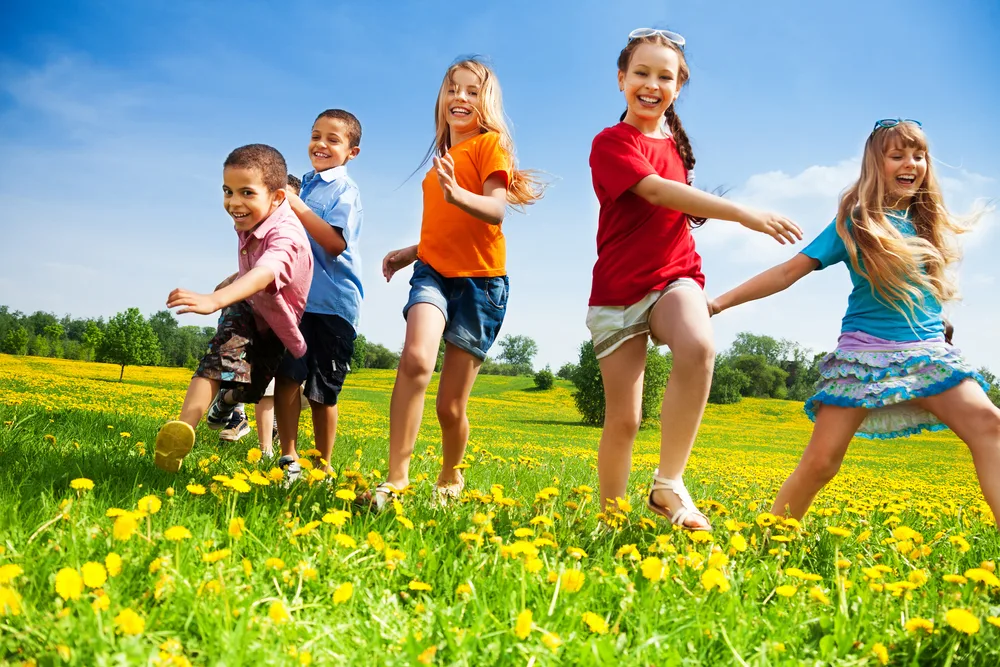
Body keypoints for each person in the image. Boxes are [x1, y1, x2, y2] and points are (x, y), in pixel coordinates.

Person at [711, 119, 998, 523]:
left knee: (990, 425)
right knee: (822, 463)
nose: (910, 163)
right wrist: (718, 303)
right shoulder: (855, 224)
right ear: (875, 165)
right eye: (897, 155)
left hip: (928, 355)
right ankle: (769, 538)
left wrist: (942, 325)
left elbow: (924, 288)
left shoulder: (928, 223)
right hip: (865, 357)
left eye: (918, 156)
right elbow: (787, 272)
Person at [587, 28, 802, 531]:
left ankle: (668, 483)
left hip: (674, 278)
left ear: (678, 86)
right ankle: (611, 520)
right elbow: (658, 193)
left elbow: (673, 200)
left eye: (665, 76)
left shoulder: (677, 147)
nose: (651, 84)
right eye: (641, 73)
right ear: (621, 79)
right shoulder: (611, 142)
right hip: (618, 293)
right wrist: (742, 213)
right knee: (624, 420)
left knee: (699, 345)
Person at [374, 57, 543, 508]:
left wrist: (457, 193)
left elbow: (494, 211)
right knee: (414, 359)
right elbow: (445, 226)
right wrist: (411, 251)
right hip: (433, 273)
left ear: (484, 102)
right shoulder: (440, 164)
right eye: (452, 89)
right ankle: (397, 479)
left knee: (449, 406)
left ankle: (450, 476)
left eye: (471, 91)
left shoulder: (490, 147)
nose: (460, 98)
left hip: (481, 284)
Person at [154, 145, 312, 472]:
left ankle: (225, 405)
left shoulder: (288, 235)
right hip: (247, 309)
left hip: (278, 325)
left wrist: (215, 300)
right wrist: (229, 294)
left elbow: (267, 270)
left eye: (246, 193)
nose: (233, 203)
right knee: (216, 360)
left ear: (279, 197)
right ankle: (183, 429)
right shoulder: (250, 219)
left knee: (249, 388)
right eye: (228, 191)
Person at [273, 110, 364, 482]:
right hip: (294, 300)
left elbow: (333, 242)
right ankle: (288, 458)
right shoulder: (302, 186)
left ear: (351, 153)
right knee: (287, 375)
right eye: (315, 136)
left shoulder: (345, 191)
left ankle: (323, 465)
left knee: (322, 389)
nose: (321, 145)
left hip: (333, 304)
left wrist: (297, 206)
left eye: (333, 139)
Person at [220, 173, 305, 456]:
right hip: (262, 321)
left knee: (285, 385)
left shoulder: (293, 236)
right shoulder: (258, 234)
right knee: (263, 385)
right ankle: (262, 444)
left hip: (292, 324)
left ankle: (264, 434)